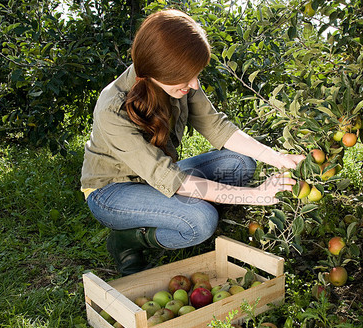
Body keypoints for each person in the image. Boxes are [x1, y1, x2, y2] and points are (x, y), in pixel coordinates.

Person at [81, 9, 304, 275]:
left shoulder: (178, 83)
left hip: (158, 177)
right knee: (200, 220)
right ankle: (127, 241)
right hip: (113, 192)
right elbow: (171, 178)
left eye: (196, 74)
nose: (195, 85)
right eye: (186, 77)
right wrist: (256, 196)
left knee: (240, 163)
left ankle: (179, 208)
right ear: (158, 69)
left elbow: (218, 127)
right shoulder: (112, 107)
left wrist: (279, 158)